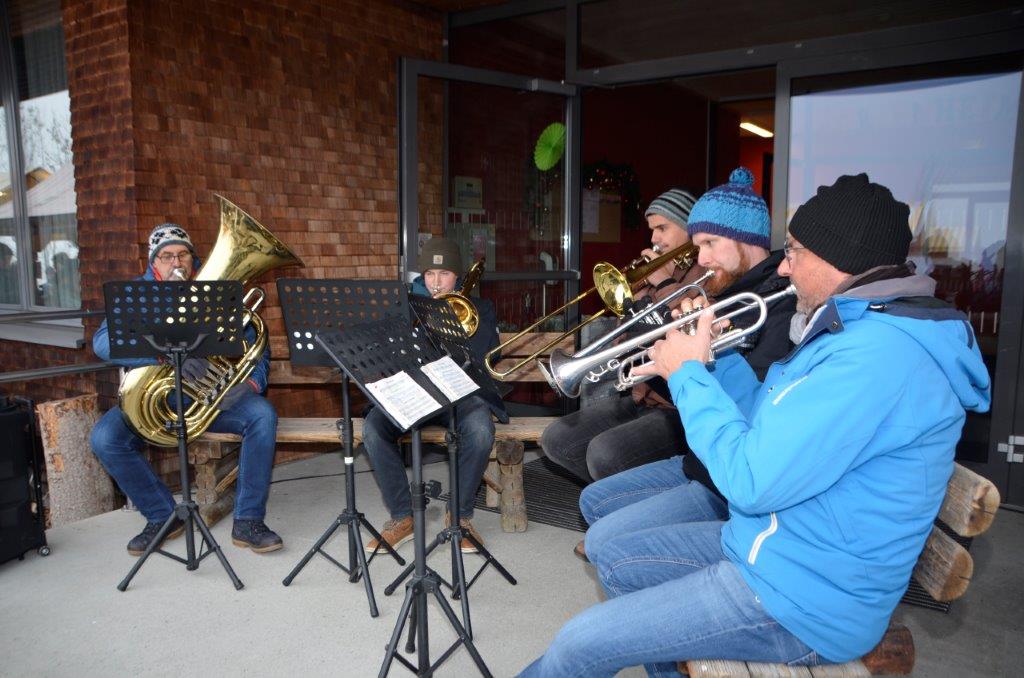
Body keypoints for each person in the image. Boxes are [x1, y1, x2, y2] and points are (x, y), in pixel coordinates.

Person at [518, 174, 991, 677]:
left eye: (794, 251)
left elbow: (748, 480)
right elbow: (761, 423)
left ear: (838, 259)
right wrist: (714, 358)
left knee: (578, 644)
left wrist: (689, 376)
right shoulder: (856, 328)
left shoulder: (875, 357)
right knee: (616, 557)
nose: (784, 265)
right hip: (776, 546)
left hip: (804, 600)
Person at [578, 167, 797, 556]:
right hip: (699, 459)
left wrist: (695, 352)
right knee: (592, 501)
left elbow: (753, 408)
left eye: (711, 242)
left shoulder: (779, 303)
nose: (703, 258)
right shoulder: (722, 289)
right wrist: (664, 340)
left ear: (747, 239)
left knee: (606, 543)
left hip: (726, 483)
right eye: (698, 246)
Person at [91, 223, 283, 556]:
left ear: (193, 259)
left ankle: (249, 520)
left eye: (183, 254)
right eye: (166, 256)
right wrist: (164, 355)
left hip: (209, 397)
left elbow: (257, 345)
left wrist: (253, 383)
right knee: (104, 439)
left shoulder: (214, 293)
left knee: (262, 416)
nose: (176, 262)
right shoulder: (136, 296)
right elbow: (103, 343)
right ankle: (162, 517)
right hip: (155, 401)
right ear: (153, 261)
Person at [363, 237, 507, 554]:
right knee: (373, 428)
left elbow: (488, 356)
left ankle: (460, 516)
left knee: (481, 431)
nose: (436, 282)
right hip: (416, 393)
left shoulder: (480, 308)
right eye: (429, 274)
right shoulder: (407, 307)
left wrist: (452, 323)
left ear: (457, 276)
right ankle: (403, 517)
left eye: (444, 274)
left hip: (460, 395)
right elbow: (388, 354)